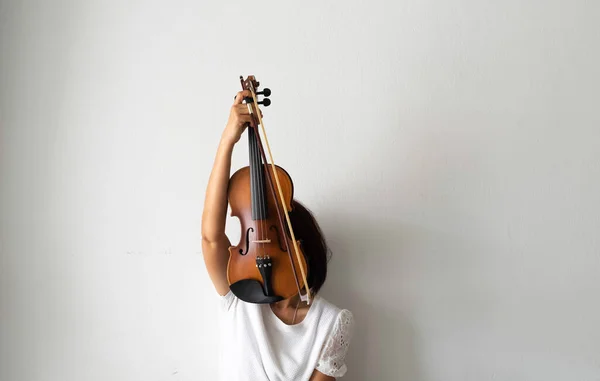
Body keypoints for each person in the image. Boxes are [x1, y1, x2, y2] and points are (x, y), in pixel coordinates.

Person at [201, 90, 354, 380]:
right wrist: (227, 140)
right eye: (257, 242)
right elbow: (211, 238)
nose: (263, 253)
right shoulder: (239, 296)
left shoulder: (331, 322)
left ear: (303, 248)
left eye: (277, 242)